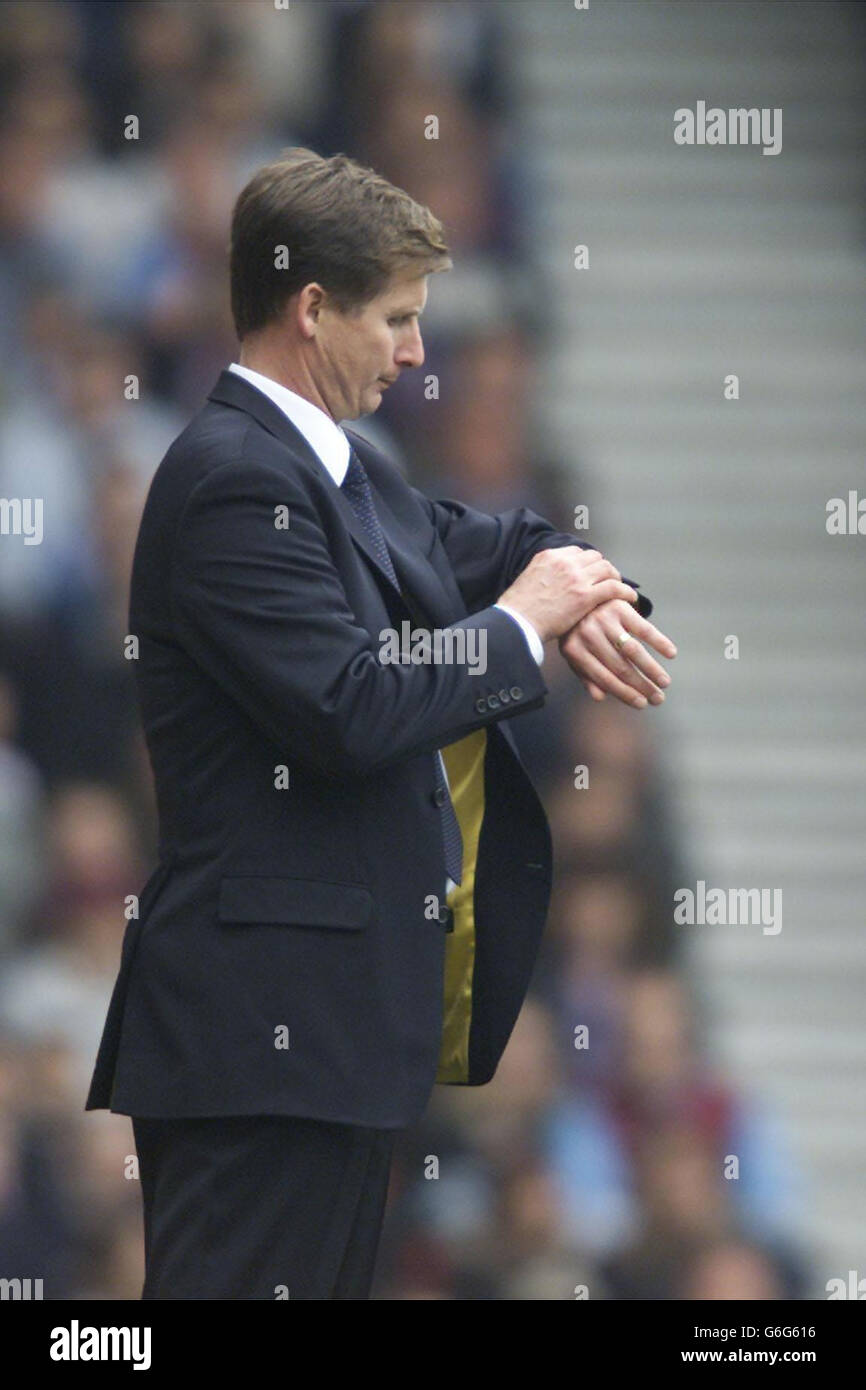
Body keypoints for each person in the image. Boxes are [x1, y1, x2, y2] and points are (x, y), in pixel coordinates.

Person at [85, 147, 676, 1299]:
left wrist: (586, 587)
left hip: (336, 1045)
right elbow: (350, 705)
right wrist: (517, 629)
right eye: (398, 319)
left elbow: (498, 542)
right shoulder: (231, 483)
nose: (415, 352)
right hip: (260, 1044)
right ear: (311, 310)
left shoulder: (342, 472)